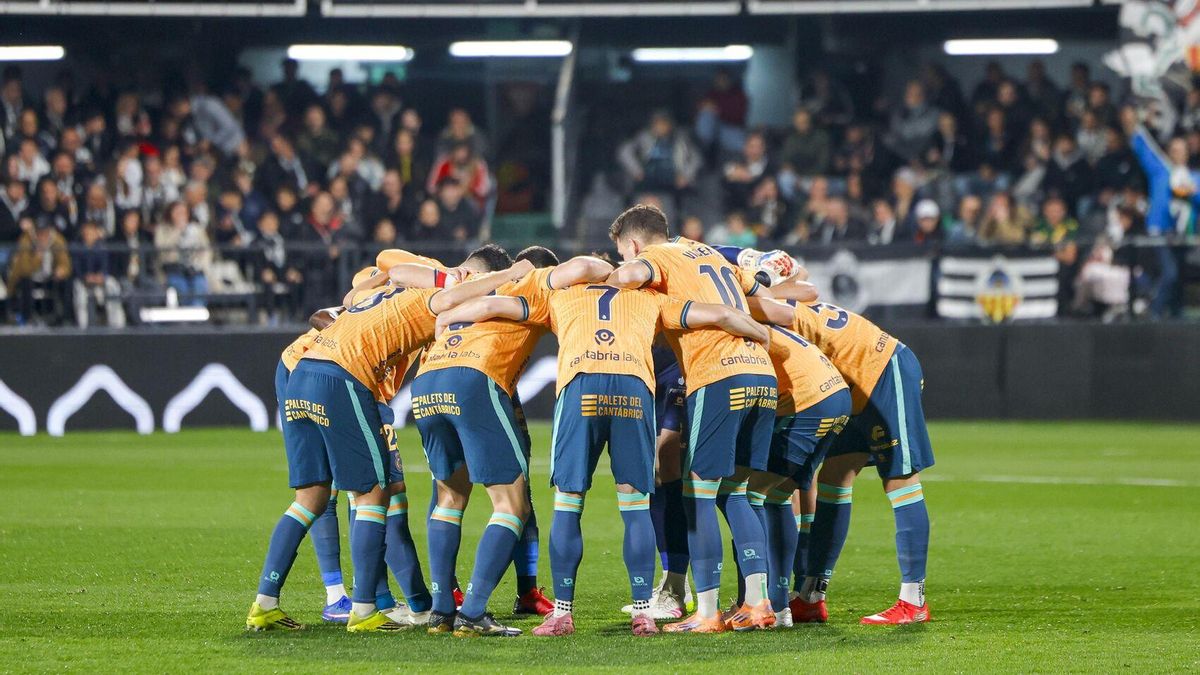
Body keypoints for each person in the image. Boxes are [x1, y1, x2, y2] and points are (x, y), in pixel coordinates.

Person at [437, 256, 769, 637]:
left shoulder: (561, 295)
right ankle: (644, 612)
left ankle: (562, 613)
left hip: (582, 385)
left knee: (569, 502)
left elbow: (492, 305)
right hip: (632, 387)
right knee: (635, 506)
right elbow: (721, 314)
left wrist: (447, 317)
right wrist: (761, 334)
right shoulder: (651, 298)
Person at [246, 256, 533, 633]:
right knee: (375, 494)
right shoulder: (422, 300)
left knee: (311, 498)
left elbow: (359, 292)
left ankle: (265, 603)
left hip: (302, 372)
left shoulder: (379, 293)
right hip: (342, 378)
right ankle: (365, 609)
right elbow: (446, 298)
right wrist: (509, 275)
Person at [605, 204, 778, 633]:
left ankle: (706, 612)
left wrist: (610, 276)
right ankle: (758, 604)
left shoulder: (656, 257)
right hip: (761, 373)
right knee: (736, 491)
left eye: (624, 252)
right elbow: (757, 286)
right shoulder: (709, 254)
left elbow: (628, 276)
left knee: (698, 492)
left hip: (718, 374)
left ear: (633, 244)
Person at [396, 247, 560, 637]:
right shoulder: (535, 286)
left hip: (427, 385)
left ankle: (441, 612)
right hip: (473, 379)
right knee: (512, 507)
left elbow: (396, 268)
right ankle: (472, 613)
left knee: (449, 498)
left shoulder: (470, 285)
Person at [751, 297, 934, 626]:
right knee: (834, 477)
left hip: (883, 369)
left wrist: (736, 310)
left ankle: (913, 599)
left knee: (900, 478)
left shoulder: (760, 308)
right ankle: (812, 595)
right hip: (850, 387)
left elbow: (785, 312)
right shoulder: (766, 298)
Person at [72, 221, 125, 328]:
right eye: (86, 231)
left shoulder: (102, 247)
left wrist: (101, 276)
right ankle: (83, 326)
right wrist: (85, 277)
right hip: (83, 281)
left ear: (96, 233)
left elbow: (105, 266)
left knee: (113, 285)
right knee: (80, 293)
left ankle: (117, 324)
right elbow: (76, 268)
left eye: (91, 231)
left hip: (99, 280)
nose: (89, 234)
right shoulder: (76, 247)